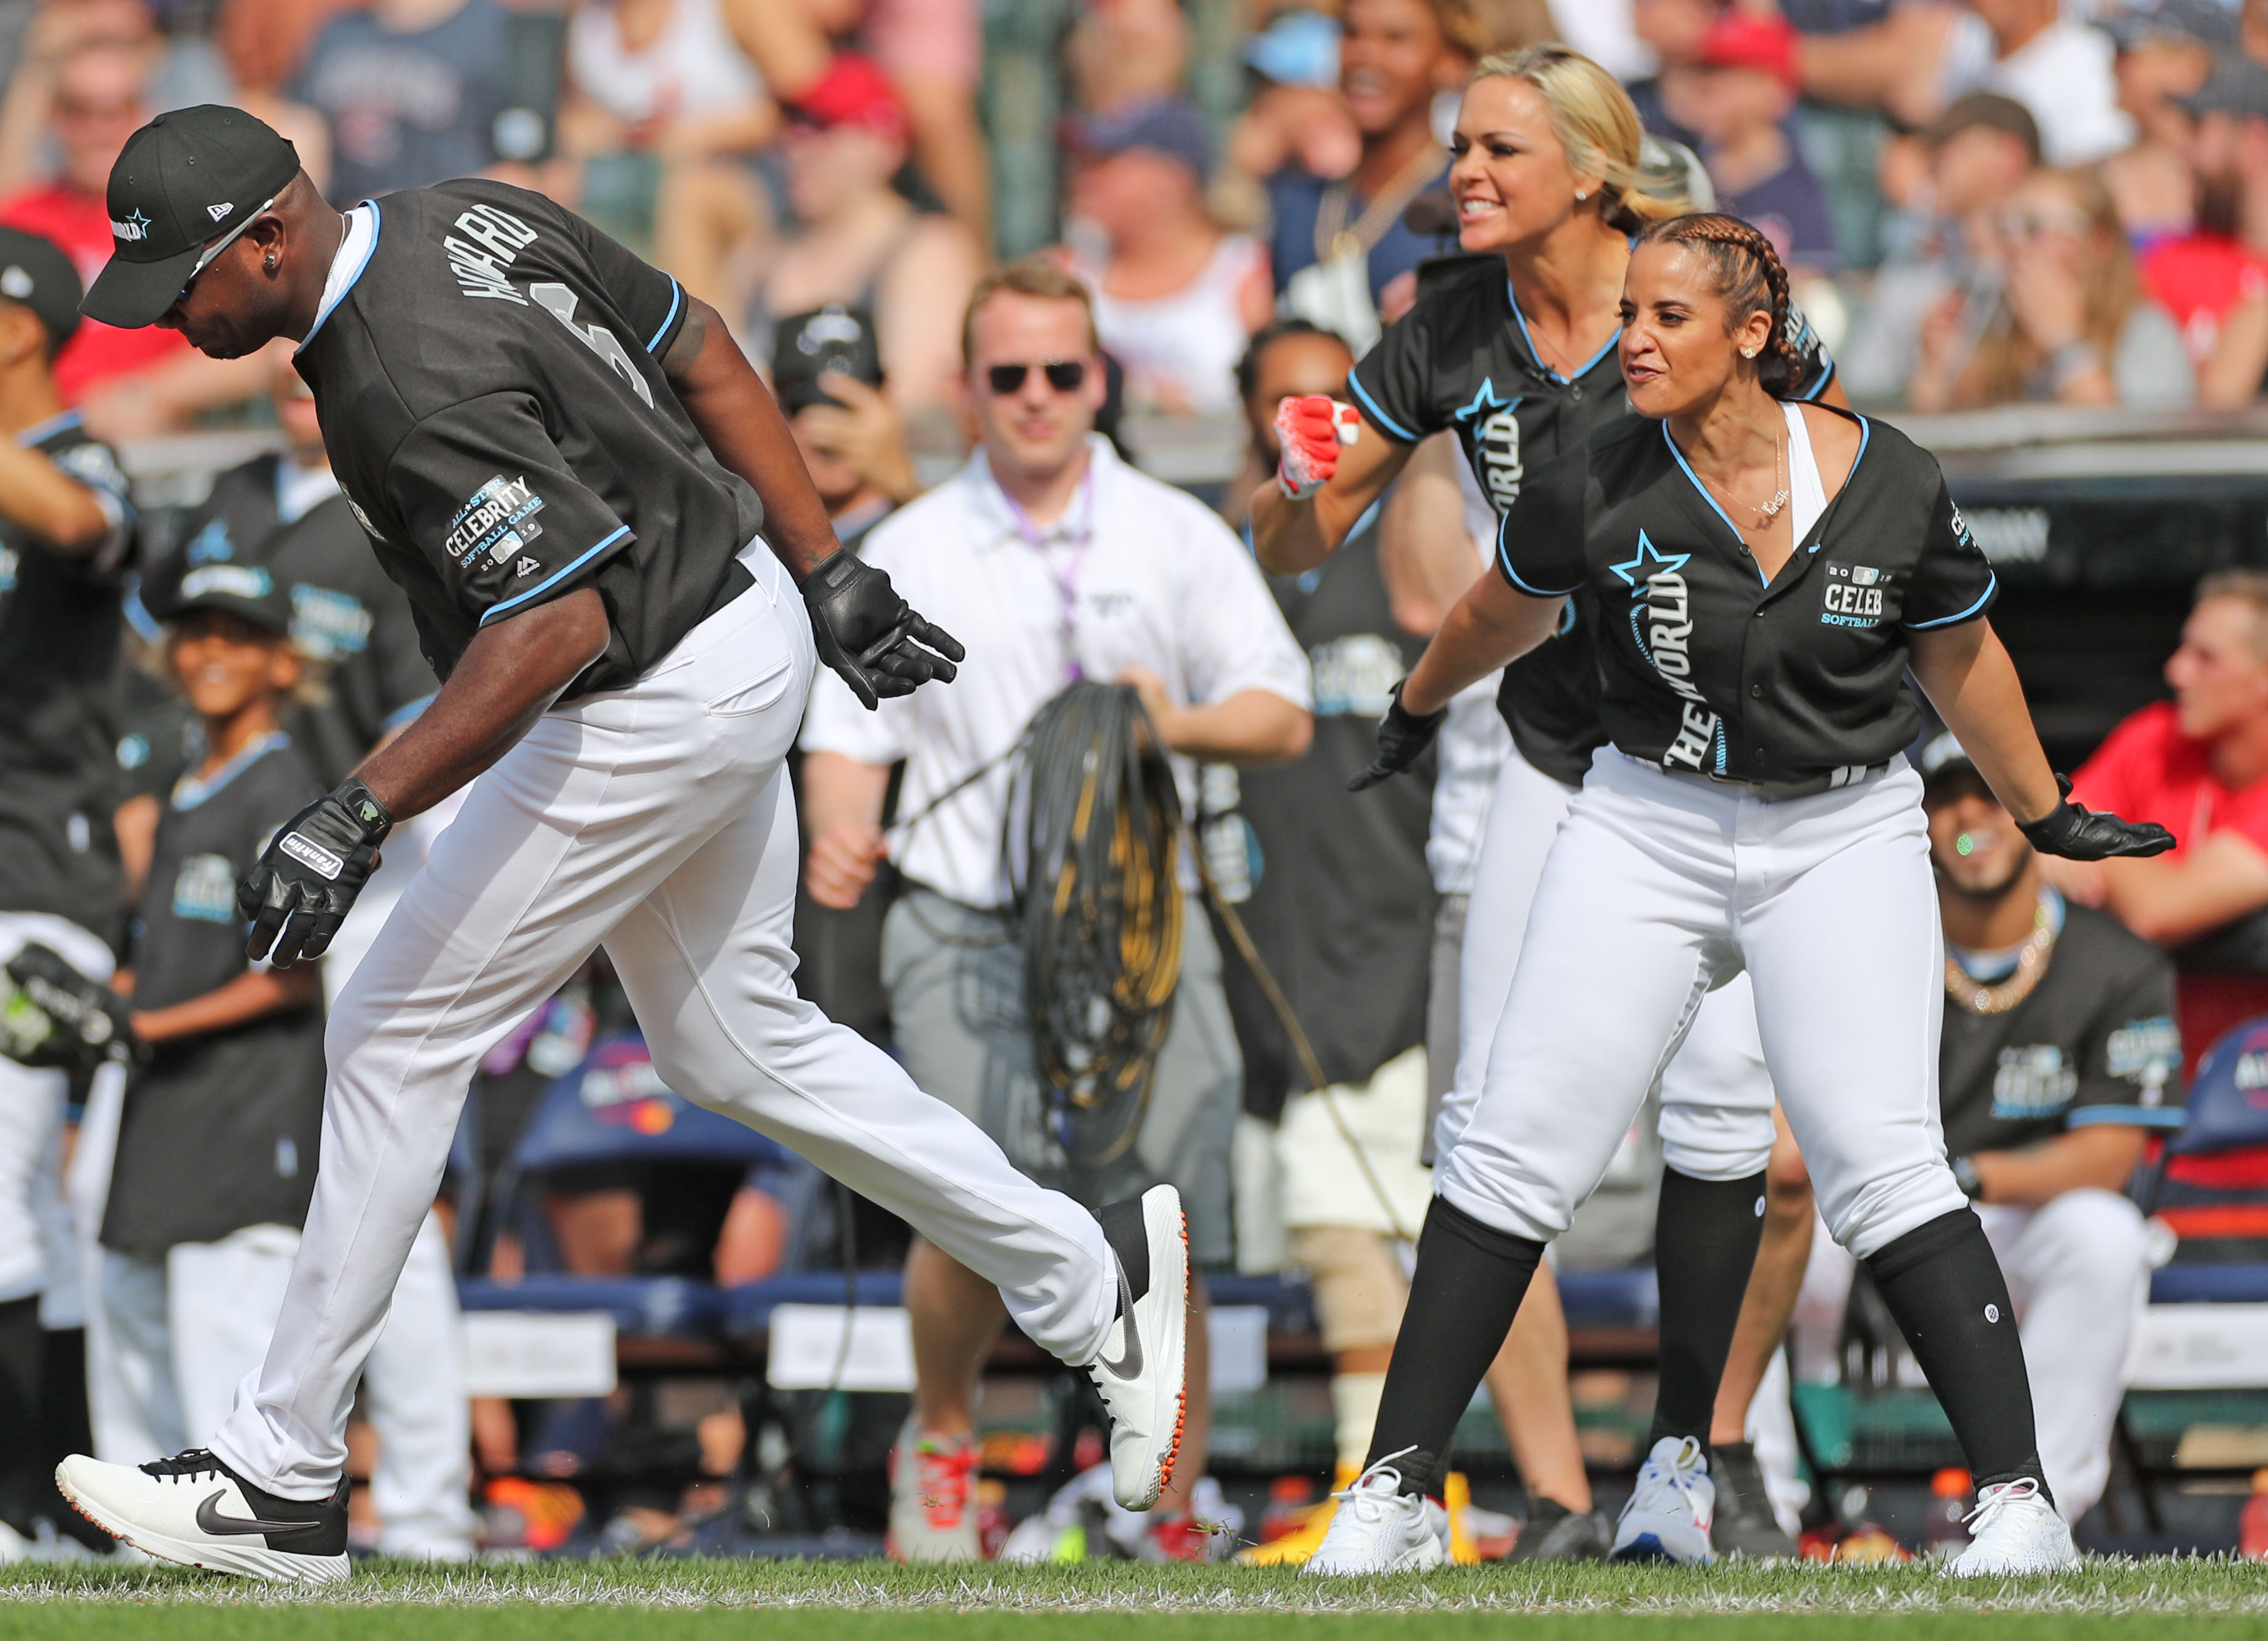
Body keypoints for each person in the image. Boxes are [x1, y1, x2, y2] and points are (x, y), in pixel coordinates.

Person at [56, 104, 1189, 1586]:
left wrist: (355, 808)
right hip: (728, 622)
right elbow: (703, 336)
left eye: (187, 281)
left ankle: (278, 1476)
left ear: (269, 237)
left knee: (391, 1028)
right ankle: (1091, 1279)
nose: (172, 318)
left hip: (649, 685)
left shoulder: (400, 369)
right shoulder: (461, 206)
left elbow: (556, 623)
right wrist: (825, 564)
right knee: (740, 1047)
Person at [1297, 209, 2173, 1579]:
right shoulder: (1592, 468)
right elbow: (1497, 609)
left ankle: (2020, 1509)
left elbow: (1962, 658)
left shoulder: (1890, 476)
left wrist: (2041, 807)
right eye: (1628, 311)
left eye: (1667, 319)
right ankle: (1394, 1492)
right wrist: (1417, 704)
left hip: (1843, 825)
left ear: (1753, 336)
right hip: (1649, 817)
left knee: (1882, 1158)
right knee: (1517, 1141)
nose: (1630, 340)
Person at [1250, 45, 1835, 1564]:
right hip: (1538, 745)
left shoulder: (1693, 292)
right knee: (1493, 1130)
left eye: (1499, 146)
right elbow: (1301, 542)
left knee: (1751, 1138)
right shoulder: (1445, 321)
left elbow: (1834, 486)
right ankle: (1551, 1491)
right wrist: (1290, 479)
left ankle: (1698, 1459)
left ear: (1591, 166)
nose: (1464, 172)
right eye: (1457, 144)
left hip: (1717, 740)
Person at [798, 259, 1312, 1562]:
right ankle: (947, 1442)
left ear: (1102, 384)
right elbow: (846, 727)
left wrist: (1165, 723)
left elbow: (1282, 711)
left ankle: (1169, 1498)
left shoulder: (1175, 533)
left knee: (1164, 1214)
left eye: (1061, 374)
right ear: (966, 393)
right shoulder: (909, 550)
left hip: (1145, 926)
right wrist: (839, 823)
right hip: (966, 920)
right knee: (971, 1203)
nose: (1036, 398)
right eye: (1008, 376)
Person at [1786, 731, 2179, 1529]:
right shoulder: (1866, 942)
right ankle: (1761, 1496)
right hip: (1861, 1210)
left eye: (1993, 795)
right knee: (1763, 1223)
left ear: (2033, 814)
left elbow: (2107, 1158)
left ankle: (2037, 1510)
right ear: (1918, 822)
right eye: (1946, 800)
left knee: (2104, 1234)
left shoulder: (2116, 961)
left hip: (2002, 1211)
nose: (1972, 817)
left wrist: (1955, 1186)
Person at [92, 569, 329, 1468]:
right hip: (164, 1107)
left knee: (217, 1330)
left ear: (281, 661)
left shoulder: (281, 785)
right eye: (197, 633)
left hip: (242, 1105)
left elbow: (289, 975)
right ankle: (137, 1535)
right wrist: (111, 1000)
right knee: (131, 1308)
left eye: (239, 635)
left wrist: (146, 1027)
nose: (212, 653)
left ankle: (230, 1527)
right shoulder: (187, 781)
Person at [0, 222, 133, 1549]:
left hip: (43, 882)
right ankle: (66, 1508)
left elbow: (83, 523)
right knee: (32, 1205)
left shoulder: (75, 457)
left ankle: (16, 1510)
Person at [140, 345, 435, 792]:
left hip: (348, 842)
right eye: (274, 344)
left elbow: (421, 720)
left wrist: (336, 832)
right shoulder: (233, 489)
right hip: (210, 832)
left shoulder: (397, 516)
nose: (289, 362)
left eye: (306, 337)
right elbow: (141, 639)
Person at [2060, 570, 2268, 1076]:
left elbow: (2158, 912)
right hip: (2131, 1071)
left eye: (2206, 657)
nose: (2176, 671)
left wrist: (2072, 846)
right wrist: (2055, 838)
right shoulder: (2157, 735)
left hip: (2241, 1100)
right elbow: (2043, 826)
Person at [745, 57, 981, 417]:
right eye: (792, 127)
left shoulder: (929, 250)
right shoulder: (761, 252)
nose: (796, 147)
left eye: (821, 128)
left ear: (884, 146)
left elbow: (915, 405)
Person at [1264, 0, 1475, 350]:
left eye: (1395, 39)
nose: (1366, 57)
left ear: (1451, 61)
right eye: (1352, 34)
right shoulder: (1296, 201)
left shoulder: (1468, 198)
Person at [1908, 165, 2194, 412]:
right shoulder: (1995, 329)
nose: (2014, 243)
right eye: (2004, 227)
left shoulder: (2144, 331)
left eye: (2034, 227)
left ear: (2097, 244)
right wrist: (1939, 372)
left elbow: (2127, 453)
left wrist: (2065, 344)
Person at [561, 0, 778, 316]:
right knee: (555, 191)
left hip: (731, 175)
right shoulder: (587, 20)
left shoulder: (724, 10)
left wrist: (685, 137)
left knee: (689, 191)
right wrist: (614, 133)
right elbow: (574, 121)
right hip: (629, 173)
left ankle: (691, 335)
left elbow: (773, 116)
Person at [1063, 99, 1272, 419]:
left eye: (1103, 162)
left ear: (1171, 180)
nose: (1083, 178)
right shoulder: (1065, 275)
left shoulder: (1246, 270)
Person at [1838, 92, 2040, 404]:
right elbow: (1863, 393)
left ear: (2009, 155)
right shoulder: (1908, 276)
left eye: (1951, 145)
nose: (1934, 163)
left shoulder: (2054, 269)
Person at [290, 0, 524, 205]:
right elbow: (301, 136)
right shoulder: (337, 31)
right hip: (346, 234)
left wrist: (405, 209)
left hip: (448, 235)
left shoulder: (499, 29)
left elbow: (531, 177)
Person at [1682, 12, 1838, 278]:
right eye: (1708, 72)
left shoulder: (1802, 185)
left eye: (1731, 75)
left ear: (1775, 90)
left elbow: (1812, 288)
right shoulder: (1686, 174)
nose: (1712, 86)